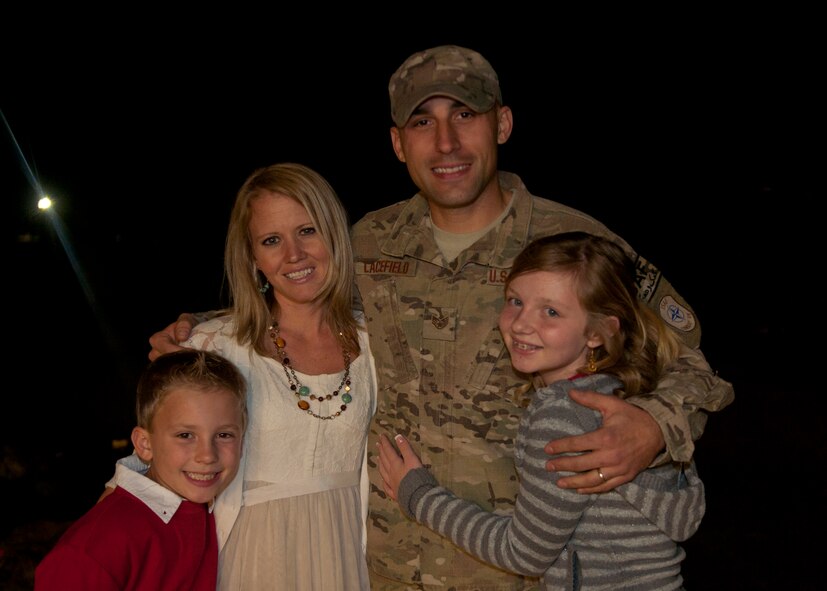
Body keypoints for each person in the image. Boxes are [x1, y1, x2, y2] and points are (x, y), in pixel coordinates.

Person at [148, 46, 734, 590]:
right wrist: (201, 329)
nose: (446, 143)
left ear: (501, 124)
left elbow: (690, 359)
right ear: (399, 144)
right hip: (389, 562)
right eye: (423, 123)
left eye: (465, 115)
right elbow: (301, 292)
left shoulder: (574, 243)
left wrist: (656, 427)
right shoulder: (373, 242)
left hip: (526, 569)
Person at [377, 231, 705, 590]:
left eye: (551, 311)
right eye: (515, 301)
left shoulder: (561, 413)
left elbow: (524, 553)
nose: (521, 323)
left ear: (598, 332)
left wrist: (419, 496)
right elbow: (685, 520)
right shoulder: (630, 397)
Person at [110, 163, 378, 590]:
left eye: (307, 230)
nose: (294, 255)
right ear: (253, 258)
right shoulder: (214, 346)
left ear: (334, 233)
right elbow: (150, 464)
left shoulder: (375, 342)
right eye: (272, 240)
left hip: (349, 556)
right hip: (252, 557)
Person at [35, 349, 248, 591]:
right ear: (145, 445)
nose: (208, 455)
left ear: (242, 442)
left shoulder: (216, 513)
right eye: (185, 435)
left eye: (223, 435)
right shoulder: (98, 545)